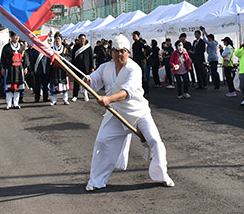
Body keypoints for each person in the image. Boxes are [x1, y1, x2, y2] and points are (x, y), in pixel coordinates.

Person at [83, 34, 173, 191]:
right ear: (111, 52)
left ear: (128, 52)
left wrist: (108, 99)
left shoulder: (134, 68)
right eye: (116, 51)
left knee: (155, 141)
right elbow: (94, 80)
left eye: (123, 51)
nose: (119, 55)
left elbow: (126, 92)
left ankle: (162, 176)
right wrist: (88, 81)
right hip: (116, 114)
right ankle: (96, 180)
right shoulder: (106, 67)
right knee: (101, 141)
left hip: (139, 113)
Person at [1, 32, 28, 109]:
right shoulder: (6, 47)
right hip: (10, 69)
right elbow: (3, 58)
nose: (16, 38)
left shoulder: (21, 47)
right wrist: (2, 67)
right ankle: (9, 104)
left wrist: (25, 67)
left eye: (17, 36)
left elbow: (25, 57)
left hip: (19, 69)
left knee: (18, 87)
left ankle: (16, 103)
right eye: (15, 36)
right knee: (9, 87)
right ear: (11, 37)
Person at [49, 33, 72, 106]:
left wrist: (63, 59)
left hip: (63, 70)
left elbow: (69, 58)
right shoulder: (52, 49)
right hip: (54, 70)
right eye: (56, 39)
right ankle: (54, 100)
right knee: (54, 86)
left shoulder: (64, 49)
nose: (57, 40)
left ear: (61, 40)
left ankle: (65, 99)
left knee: (64, 85)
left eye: (58, 39)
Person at [72, 35, 95, 101]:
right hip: (77, 67)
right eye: (81, 39)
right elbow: (73, 57)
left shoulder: (89, 47)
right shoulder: (75, 47)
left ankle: (86, 94)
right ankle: (75, 95)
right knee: (76, 82)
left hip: (86, 67)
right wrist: (72, 66)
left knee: (86, 82)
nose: (82, 40)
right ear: (78, 40)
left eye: (83, 39)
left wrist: (92, 67)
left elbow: (91, 58)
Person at [131, 31, 150, 97]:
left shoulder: (142, 42)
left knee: (143, 77)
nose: (133, 37)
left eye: (134, 35)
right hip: (136, 61)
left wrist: (146, 56)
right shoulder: (134, 44)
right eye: (133, 36)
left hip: (142, 61)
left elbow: (148, 49)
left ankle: (146, 92)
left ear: (138, 36)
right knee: (136, 76)